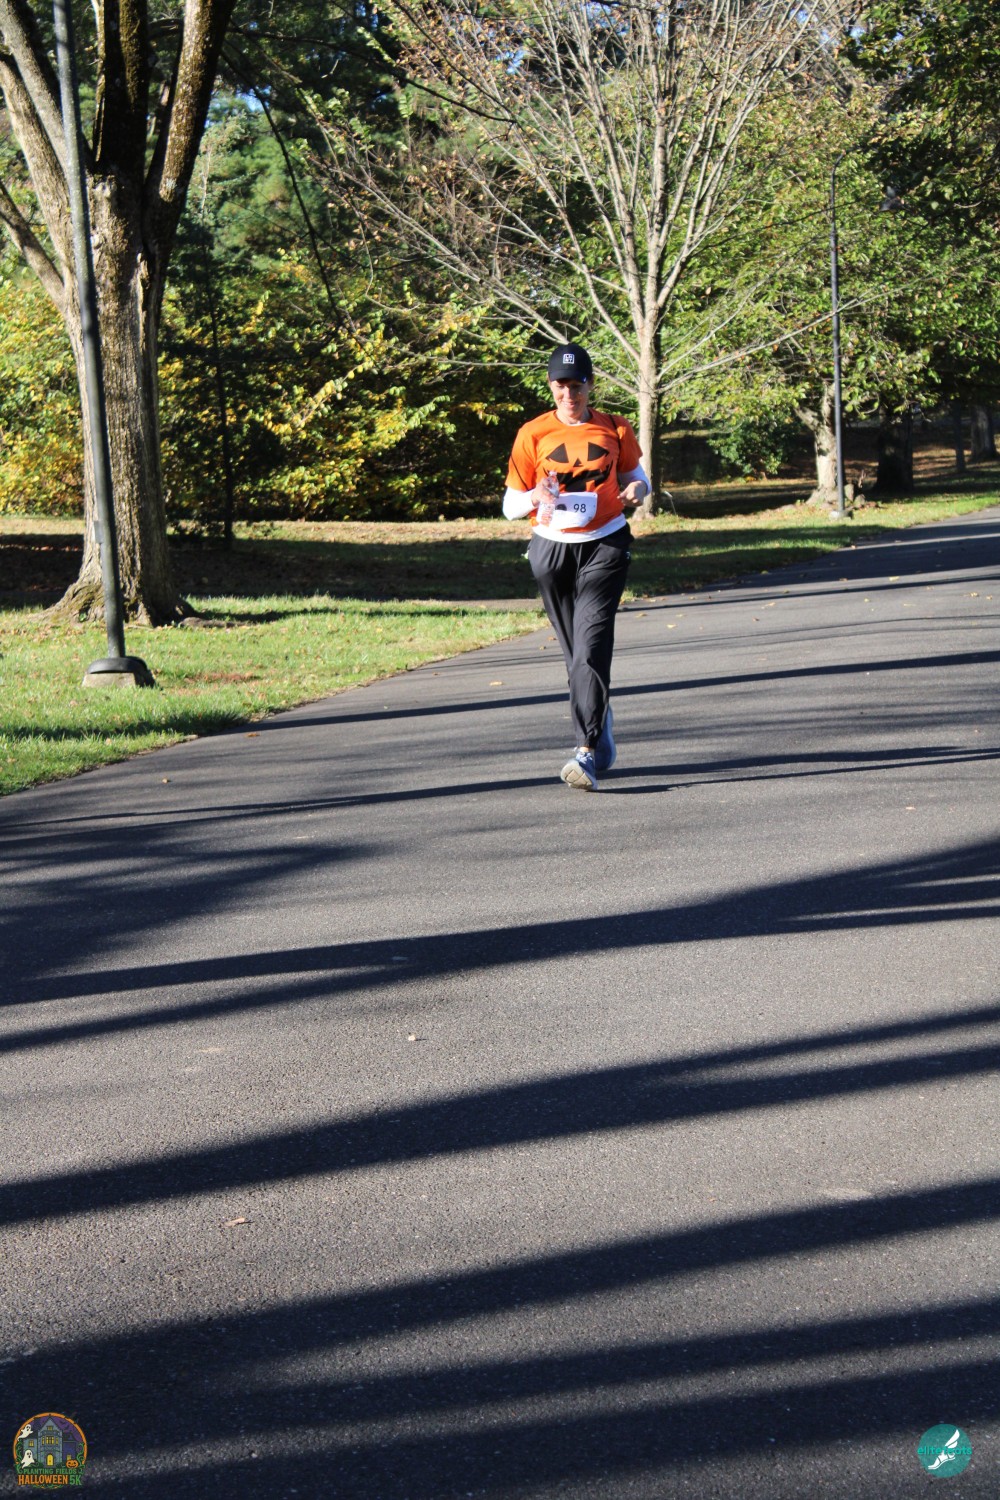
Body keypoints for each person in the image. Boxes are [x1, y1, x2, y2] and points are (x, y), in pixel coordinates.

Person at [503, 342, 650, 790]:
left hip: (605, 543)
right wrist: (535, 496)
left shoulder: (615, 428)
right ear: (551, 386)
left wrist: (638, 492)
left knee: (590, 646)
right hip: (551, 550)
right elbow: (510, 506)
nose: (570, 394)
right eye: (561, 385)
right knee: (575, 654)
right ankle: (599, 721)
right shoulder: (532, 433)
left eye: (578, 385)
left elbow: (638, 479)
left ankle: (585, 752)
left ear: (591, 384)